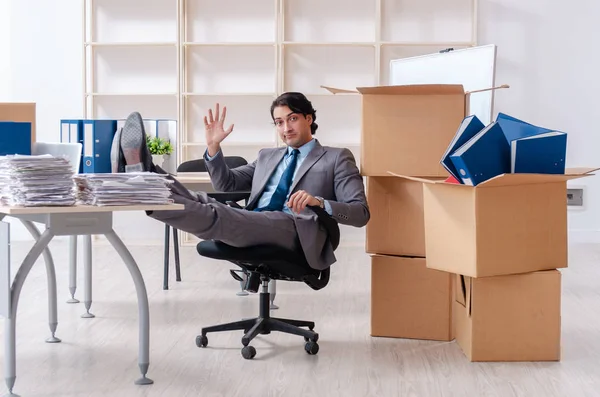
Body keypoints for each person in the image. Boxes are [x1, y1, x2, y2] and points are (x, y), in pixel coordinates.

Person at [111, 92, 370, 273]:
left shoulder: (336, 157)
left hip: (295, 229)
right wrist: (213, 147)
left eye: (292, 118)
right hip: (256, 220)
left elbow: (360, 213)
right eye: (279, 122)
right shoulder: (268, 156)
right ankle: (148, 175)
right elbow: (227, 185)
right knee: (201, 200)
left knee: (218, 214)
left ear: (308, 118)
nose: (285, 128)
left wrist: (319, 202)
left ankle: (147, 188)